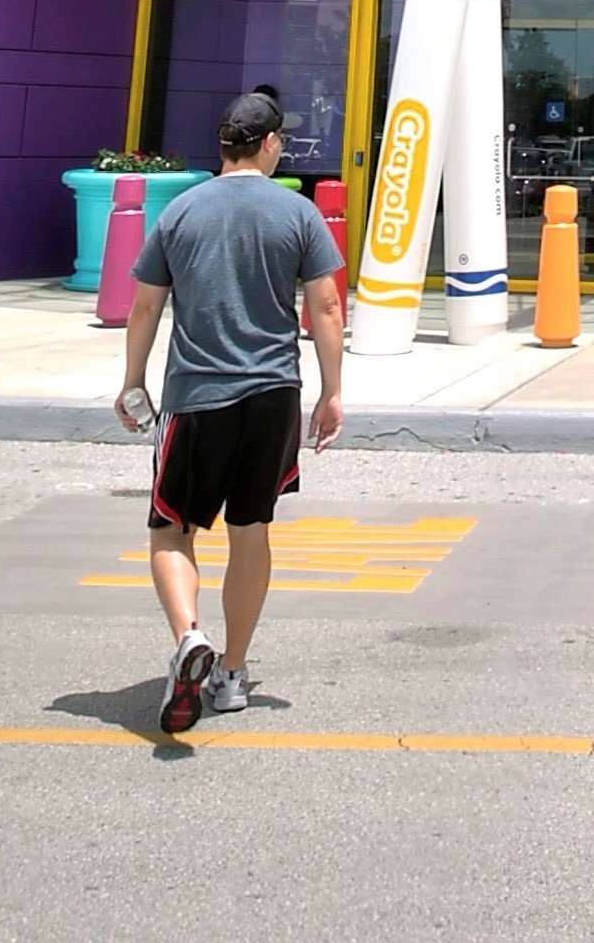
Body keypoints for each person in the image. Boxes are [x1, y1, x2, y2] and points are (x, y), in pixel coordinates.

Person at [114, 89, 345, 737]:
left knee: (172, 529)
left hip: (197, 396)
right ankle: (233, 672)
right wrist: (331, 392)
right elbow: (326, 307)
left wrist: (132, 382)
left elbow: (144, 307)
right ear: (269, 144)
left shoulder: (181, 211)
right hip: (272, 396)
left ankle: (189, 636)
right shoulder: (298, 213)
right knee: (251, 529)